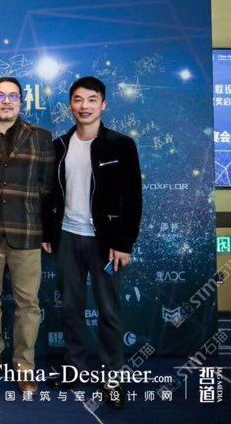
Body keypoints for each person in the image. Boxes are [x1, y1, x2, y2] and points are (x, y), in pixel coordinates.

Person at [44, 76, 142, 409]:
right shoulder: (59, 145)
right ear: (70, 105)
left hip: (106, 243)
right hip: (68, 238)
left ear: (103, 104)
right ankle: (74, 368)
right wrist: (48, 234)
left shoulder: (121, 145)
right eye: (77, 99)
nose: (84, 106)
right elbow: (51, 195)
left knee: (109, 312)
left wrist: (124, 243)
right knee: (71, 308)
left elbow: (133, 197)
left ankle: (112, 377)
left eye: (91, 99)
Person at [0, 77, 55, 393]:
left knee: (28, 304)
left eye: (13, 96)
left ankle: (24, 365)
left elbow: (48, 189)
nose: (6, 101)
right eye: (0, 96)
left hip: (27, 231)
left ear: (21, 101)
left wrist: (48, 231)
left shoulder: (41, 137)